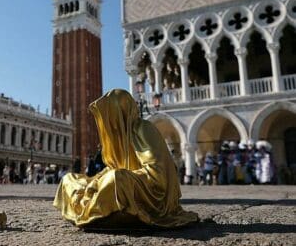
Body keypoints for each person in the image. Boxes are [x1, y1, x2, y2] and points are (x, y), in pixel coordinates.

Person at [54, 89, 198, 229]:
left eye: (110, 114)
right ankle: (96, 210)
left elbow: (157, 174)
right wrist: (97, 180)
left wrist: (114, 177)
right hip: (127, 180)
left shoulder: (143, 128)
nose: (107, 120)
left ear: (121, 111)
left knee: (116, 178)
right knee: (69, 179)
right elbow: (113, 167)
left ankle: (95, 211)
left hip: (151, 189)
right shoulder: (119, 136)